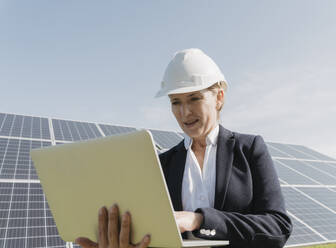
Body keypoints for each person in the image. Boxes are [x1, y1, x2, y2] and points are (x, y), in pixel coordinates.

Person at [76, 48, 292, 248]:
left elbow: (278, 227)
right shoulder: (162, 164)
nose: (184, 112)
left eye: (194, 98)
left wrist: (199, 220)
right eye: (175, 102)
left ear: (219, 97)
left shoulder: (249, 149)